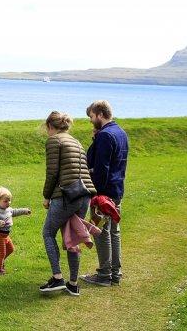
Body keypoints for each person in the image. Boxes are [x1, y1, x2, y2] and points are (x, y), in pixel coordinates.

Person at [39, 111, 96, 296]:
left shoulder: (54, 141)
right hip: (84, 195)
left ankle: (57, 278)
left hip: (66, 195)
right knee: (72, 236)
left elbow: (52, 173)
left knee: (48, 233)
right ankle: (73, 283)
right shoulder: (76, 141)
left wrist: (46, 196)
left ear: (50, 126)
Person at [81, 100, 128, 287]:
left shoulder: (105, 136)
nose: (91, 121)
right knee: (114, 232)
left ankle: (104, 275)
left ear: (100, 114)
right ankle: (115, 273)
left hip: (103, 193)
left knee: (101, 232)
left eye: (92, 116)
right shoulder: (121, 132)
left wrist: (95, 193)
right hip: (117, 190)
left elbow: (99, 168)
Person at [0, 187, 31, 275]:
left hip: (5, 235)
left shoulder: (8, 209)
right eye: (5, 201)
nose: (8, 203)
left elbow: (15, 212)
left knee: (11, 249)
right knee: (2, 254)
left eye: (9, 200)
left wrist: (24, 211)